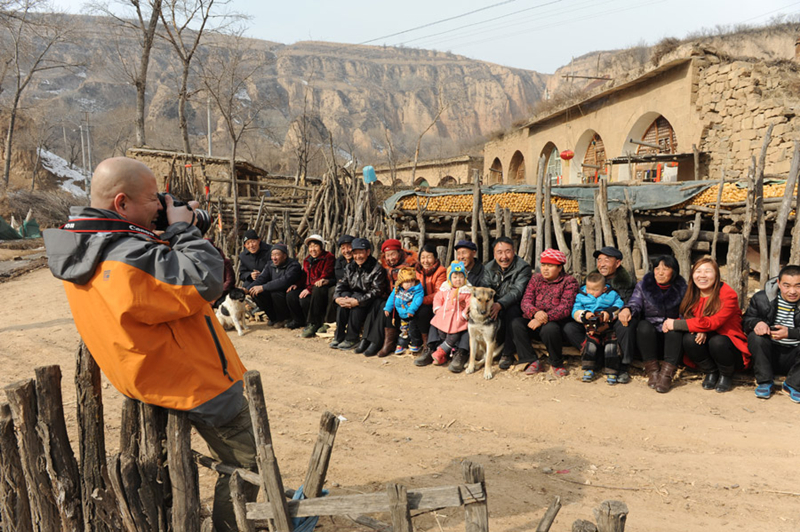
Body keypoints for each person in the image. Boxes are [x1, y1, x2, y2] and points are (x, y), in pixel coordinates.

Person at [43, 157, 256, 532]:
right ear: (121, 204)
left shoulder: (86, 244)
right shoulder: (127, 256)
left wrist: (166, 228)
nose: (160, 206)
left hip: (149, 377)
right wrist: (184, 231)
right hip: (197, 383)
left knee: (168, 475)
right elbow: (207, 280)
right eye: (152, 199)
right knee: (247, 465)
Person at [661, 257, 750, 393]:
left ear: (716, 275)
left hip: (729, 346)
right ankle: (710, 371)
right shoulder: (692, 293)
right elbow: (693, 317)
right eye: (698, 271)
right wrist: (701, 329)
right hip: (708, 342)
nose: (702, 275)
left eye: (708, 271)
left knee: (718, 341)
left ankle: (726, 375)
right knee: (690, 339)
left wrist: (677, 324)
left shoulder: (728, 295)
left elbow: (713, 322)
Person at [564, 246, 637, 383]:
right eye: (599, 260)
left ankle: (622, 366)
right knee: (569, 328)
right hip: (590, 323)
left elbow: (625, 305)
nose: (601, 264)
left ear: (617, 263)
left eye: (607, 260)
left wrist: (607, 320)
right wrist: (586, 319)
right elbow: (578, 304)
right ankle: (594, 358)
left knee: (626, 324)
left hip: (612, 322)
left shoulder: (625, 283)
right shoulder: (590, 281)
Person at [619, 255, 687, 389]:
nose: (660, 272)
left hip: (672, 339)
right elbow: (635, 303)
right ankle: (652, 371)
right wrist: (627, 309)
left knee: (675, 330)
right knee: (643, 326)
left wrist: (675, 322)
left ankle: (666, 375)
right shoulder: (644, 286)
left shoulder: (682, 288)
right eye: (657, 268)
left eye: (665, 269)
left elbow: (686, 312)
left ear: (674, 271)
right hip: (649, 339)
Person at [511, 248, 579, 377]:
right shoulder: (535, 279)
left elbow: (565, 307)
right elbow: (526, 300)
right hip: (534, 319)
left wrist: (543, 318)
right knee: (516, 324)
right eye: (543, 265)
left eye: (550, 265)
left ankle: (556, 363)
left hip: (555, 323)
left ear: (560, 268)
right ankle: (531, 360)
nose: (545, 269)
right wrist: (535, 313)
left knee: (550, 328)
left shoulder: (569, 282)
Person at [743, 264, 800, 401]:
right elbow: (746, 321)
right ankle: (764, 381)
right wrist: (756, 323)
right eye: (787, 285)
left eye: (798, 286)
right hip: (769, 354)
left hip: (795, 358)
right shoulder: (762, 298)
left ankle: (793, 385)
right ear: (779, 283)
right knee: (756, 337)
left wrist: (790, 333)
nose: (792, 291)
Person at [479, 236, 532, 370]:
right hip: (494, 304)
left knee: (512, 311)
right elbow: (485, 288)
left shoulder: (523, 267)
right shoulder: (489, 267)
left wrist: (500, 304)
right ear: (494, 254)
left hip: (514, 304)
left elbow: (517, 291)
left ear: (514, 251)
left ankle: (507, 353)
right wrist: (490, 304)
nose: (504, 256)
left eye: (508, 251)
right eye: (500, 252)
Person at [332, 238, 388, 353]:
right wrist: (338, 298)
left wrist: (357, 301)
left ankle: (352, 338)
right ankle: (339, 335)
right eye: (355, 253)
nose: (358, 256)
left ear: (368, 252)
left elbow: (376, 291)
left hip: (370, 299)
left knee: (356, 306)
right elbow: (342, 284)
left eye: (361, 252)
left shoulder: (376, 269)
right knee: (343, 302)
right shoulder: (350, 267)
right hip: (354, 295)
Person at [572, 272, 626, 384]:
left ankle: (612, 371)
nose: (591, 292)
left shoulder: (611, 294)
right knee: (590, 346)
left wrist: (609, 313)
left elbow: (619, 305)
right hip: (591, 326)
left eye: (595, 290)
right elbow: (575, 310)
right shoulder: (581, 295)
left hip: (607, 326)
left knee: (611, 348)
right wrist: (584, 315)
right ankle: (588, 369)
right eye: (589, 288)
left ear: (604, 288)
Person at [368, 239, 418, 357]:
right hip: (391, 295)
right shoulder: (384, 266)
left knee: (385, 306)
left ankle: (383, 343)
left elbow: (417, 286)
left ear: (400, 252)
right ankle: (370, 340)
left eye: (393, 254)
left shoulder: (411, 265)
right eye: (387, 255)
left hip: (408, 298)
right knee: (378, 304)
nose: (390, 258)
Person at [417, 261, 471, 369]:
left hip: (458, 318)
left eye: (461, 277)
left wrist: (464, 315)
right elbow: (437, 298)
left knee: (458, 332)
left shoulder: (466, 290)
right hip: (443, 316)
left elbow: (470, 304)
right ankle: (432, 349)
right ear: (450, 278)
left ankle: (448, 352)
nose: (458, 280)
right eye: (455, 277)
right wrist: (437, 309)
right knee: (435, 325)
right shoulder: (445, 288)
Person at [287, 234, 335, 337]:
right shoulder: (307, 260)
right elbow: (304, 275)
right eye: (310, 246)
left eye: (315, 246)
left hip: (322, 289)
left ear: (321, 246)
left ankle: (314, 323)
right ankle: (300, 321)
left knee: (310, 294)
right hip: (310, 288)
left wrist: (309, 289)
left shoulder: (328, 257)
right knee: (292, 294)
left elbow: (325, 275)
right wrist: (297, 285)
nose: (313, 249)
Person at [248, 243, 302, 327]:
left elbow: (284, 281)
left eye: (277, 255)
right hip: (275, 296)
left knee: (276, 292)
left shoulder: (294, 265)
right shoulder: (270, 265)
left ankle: (285, 319)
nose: (274, 258)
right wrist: (247, 289)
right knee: (256, 292)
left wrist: (263, 287)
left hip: (288, 295)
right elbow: (261, 279)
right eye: (272, 255)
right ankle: (274, 318)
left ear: (284, 256)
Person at [414, 243, 447, 355]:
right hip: (419, 302)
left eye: (429, 257)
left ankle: (426, 342)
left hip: (435, 304)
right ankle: (414, 342)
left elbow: (439, 293)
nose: (425, 261)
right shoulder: (417, 271)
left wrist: (420, 301)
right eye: (423, 257)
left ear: (435, 258)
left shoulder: (441, 271)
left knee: (422, 311)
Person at [384, 267, 424, 354]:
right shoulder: (397, 290)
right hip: (402, 314)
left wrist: (411, 310)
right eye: (406, 282)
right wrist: (387, 308)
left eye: (411, 281)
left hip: (412, 314)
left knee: (413, 330)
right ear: (401, 283)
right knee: (403, 330)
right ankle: (401, 344)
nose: (409, 284)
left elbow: (417, 300)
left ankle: (416, 343)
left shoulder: (417, 290)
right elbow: (392, 298)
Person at [324, 234, 355, 326]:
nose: (346, 251)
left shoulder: (358, 260)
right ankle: (329, 322)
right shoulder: (340, 261)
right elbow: (339, 276)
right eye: (343, 248)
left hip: (354, 288)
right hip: (342, 287)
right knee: (332, 291)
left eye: (349, 247)